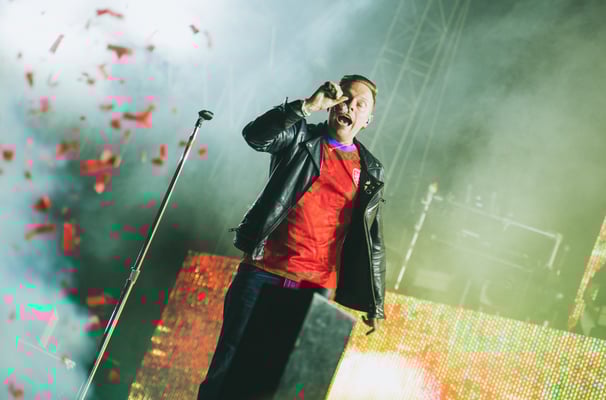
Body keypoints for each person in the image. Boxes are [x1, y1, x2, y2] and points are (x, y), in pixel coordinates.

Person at [197, 74, 387, 399]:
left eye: (361, 105)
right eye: (346, 99)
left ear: (367, 120)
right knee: (229, 367)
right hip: (264, 271)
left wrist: (375, 302)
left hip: (315, 285)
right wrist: (307, 106)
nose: (350, 107)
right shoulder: (301, 136)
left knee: (282, 380)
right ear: (334, 103)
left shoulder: (370, 169)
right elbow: (255, 136)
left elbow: (373, 240)